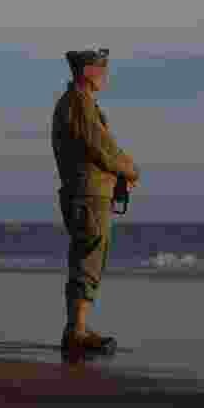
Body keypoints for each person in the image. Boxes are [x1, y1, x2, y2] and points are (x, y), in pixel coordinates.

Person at [51, 48, 140, 354]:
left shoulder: (79, 103)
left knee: (87, 257)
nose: (106, 77)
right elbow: (101, 148)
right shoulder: (79, 103)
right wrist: (130, 169)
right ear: (89, 72)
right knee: (88, 259)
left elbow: (99, 149)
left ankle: (78, 328)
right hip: (87, 195)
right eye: (102, 71)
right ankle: (76, 331)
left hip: (88, 193)